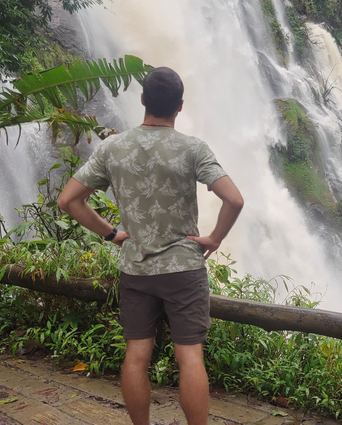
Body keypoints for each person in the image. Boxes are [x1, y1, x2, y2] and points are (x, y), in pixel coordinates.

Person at [57, 66, 244, 425]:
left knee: (136, 355)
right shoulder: (193, 149)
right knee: (190, 357)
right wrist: (214, 239)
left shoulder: (113, 148)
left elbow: (68, 201)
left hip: (136, 269)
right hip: (184, 269)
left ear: (142, 101)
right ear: (180, 106)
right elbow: (234, 200)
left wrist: (111, 234)